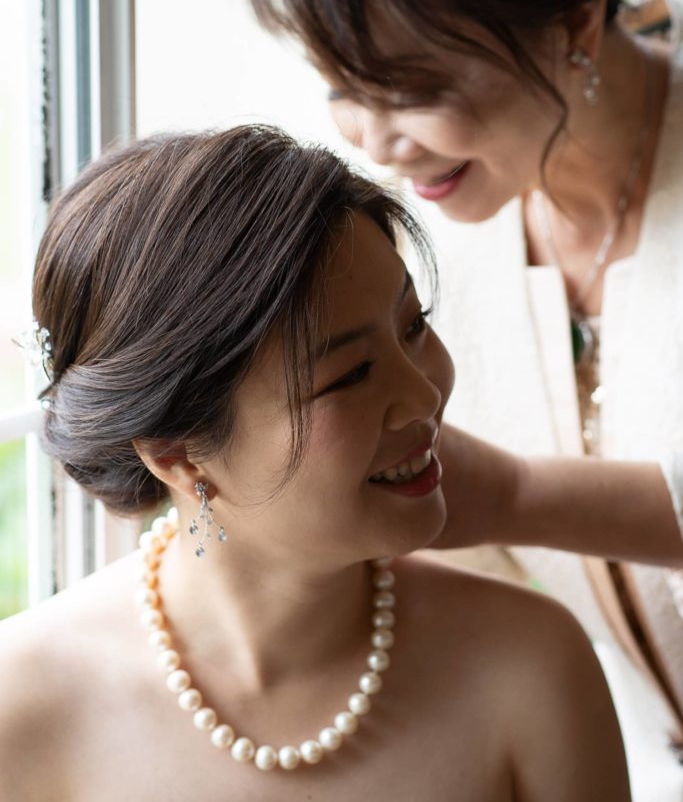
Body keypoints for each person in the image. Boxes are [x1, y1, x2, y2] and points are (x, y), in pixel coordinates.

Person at [243, 0, 683, 796]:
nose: (378, 144)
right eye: (343, 93)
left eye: (416, 92)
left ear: (572, 22)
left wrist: (509, 494)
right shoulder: (431, 236)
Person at [0, 126, 630, 801]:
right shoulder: (24, 703)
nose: (422, 396)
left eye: (413, 326)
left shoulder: (527, 667)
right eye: (350, 374)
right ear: (178, 455)